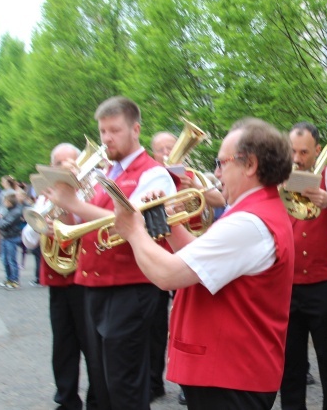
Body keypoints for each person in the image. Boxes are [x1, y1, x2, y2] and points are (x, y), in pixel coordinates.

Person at [112, 118, 294, 409]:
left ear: (250, 165)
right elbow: (199, 260)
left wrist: (132, 230)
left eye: (222, 163)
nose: (216, 172)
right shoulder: (252, 212)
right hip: (231, 371)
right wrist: (166, 224)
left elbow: (168, 274)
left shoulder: (249, 222)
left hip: (231, 374)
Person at [44, 96, 176, 410]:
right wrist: (64, 205)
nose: (106, 139)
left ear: (135, 130)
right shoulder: (105, 173)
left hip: (130, 287)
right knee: (102, 385)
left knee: (125, 385)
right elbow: (80, 223)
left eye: (114, 130)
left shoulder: (153, 173)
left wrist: (74, 202)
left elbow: (130, 222)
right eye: (103, 131)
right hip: (93, 287)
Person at [280, 122, 327, 410]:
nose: (297, 158)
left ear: (317, 150)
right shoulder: (278, 175)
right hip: (286, 285)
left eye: (303, 152)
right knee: (290, 361)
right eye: (292, 151)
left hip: (322, 284)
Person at [149, 130, 227, 405]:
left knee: (194, 318)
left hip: (196, 248)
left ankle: (190, 380)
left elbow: (220, 200)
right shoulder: (154, 177)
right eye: (162, 150)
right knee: (165, 321)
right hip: (165, 252)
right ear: (154, 154)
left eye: (173, 147)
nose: (168, 153)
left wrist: (193, 186)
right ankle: (163, 378)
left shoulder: (193, 175)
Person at [22, 142, 96, 410]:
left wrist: (73, 219)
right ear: (52, 168)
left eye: (71, 162)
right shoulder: (44, 197)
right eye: (60, 163)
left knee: (91, 345)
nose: (65, 167)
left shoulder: (89, 194)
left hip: (85, 280)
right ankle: (66, 399)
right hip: (57, 282)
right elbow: (27, 240)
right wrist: (43, 229)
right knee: (63, 345)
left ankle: (97, 399)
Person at [0, 190, 24, 289]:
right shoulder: (9, 210)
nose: (4, 203)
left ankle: (15, 280)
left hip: (11, 237)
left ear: (10, 202)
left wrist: (0, 221)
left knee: (11, 260)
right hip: (5, 237)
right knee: (5, 260)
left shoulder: (16, 212)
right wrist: (1, 221)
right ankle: (9, 279)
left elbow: (4, 224)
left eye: (5, 201)